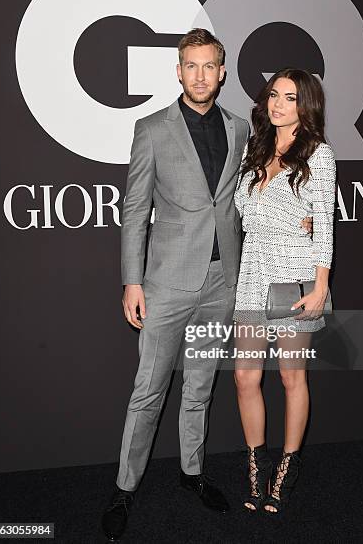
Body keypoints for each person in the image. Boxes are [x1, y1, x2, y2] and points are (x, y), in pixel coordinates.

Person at [101, 28, 251, 541]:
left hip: (220, 284)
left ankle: (192, 474)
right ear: (178, 69)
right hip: (165, 285)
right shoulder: (152, 129)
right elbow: (135, 210)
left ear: (223, 71)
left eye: (210, 65)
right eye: (191, 65)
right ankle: (124, 488)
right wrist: (132, 281)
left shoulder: (240, 129)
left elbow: (241, 202)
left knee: (201, 386)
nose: (201, 75)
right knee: (149, 390)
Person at [233, 68, 336, 514]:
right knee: (244, 378)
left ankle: (286, 468)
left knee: (292, 377)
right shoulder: (253, 147)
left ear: (305, 105)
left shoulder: (319, 154)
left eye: (289, 98)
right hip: (252, 275)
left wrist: (320, 287)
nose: (277, 104)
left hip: (294, 279)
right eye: (273, 94)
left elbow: (325, 226)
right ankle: (256, 464)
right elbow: (241, 210)